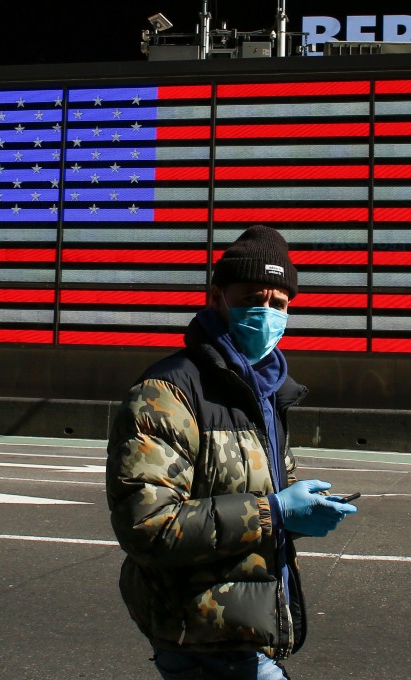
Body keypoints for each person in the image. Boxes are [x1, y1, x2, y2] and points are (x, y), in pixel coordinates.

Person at [105, 225, 357, 679]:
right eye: (252, 299)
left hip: (244, 631)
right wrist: (274, 513)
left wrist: (300, 510)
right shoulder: (166, 392)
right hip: (200, 636)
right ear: (218, 298)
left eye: (279, 304)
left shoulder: (267, 391)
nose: (266, 313)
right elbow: (146, 525)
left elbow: (254, 493)